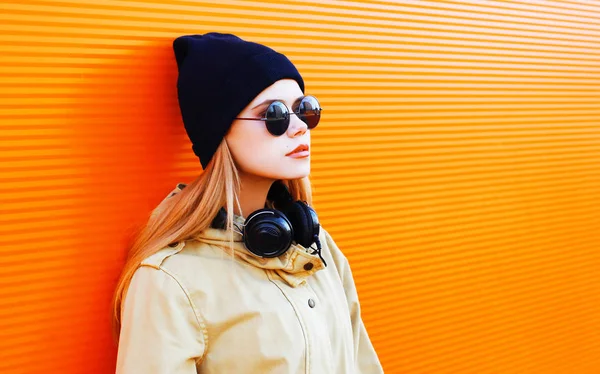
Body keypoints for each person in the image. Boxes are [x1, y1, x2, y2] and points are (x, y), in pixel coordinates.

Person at [112, 32, 384, 373]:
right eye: (275, 114)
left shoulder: (318, 248)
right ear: (220, 131)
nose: (300, 127)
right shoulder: (169, 280)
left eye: (305, 109)